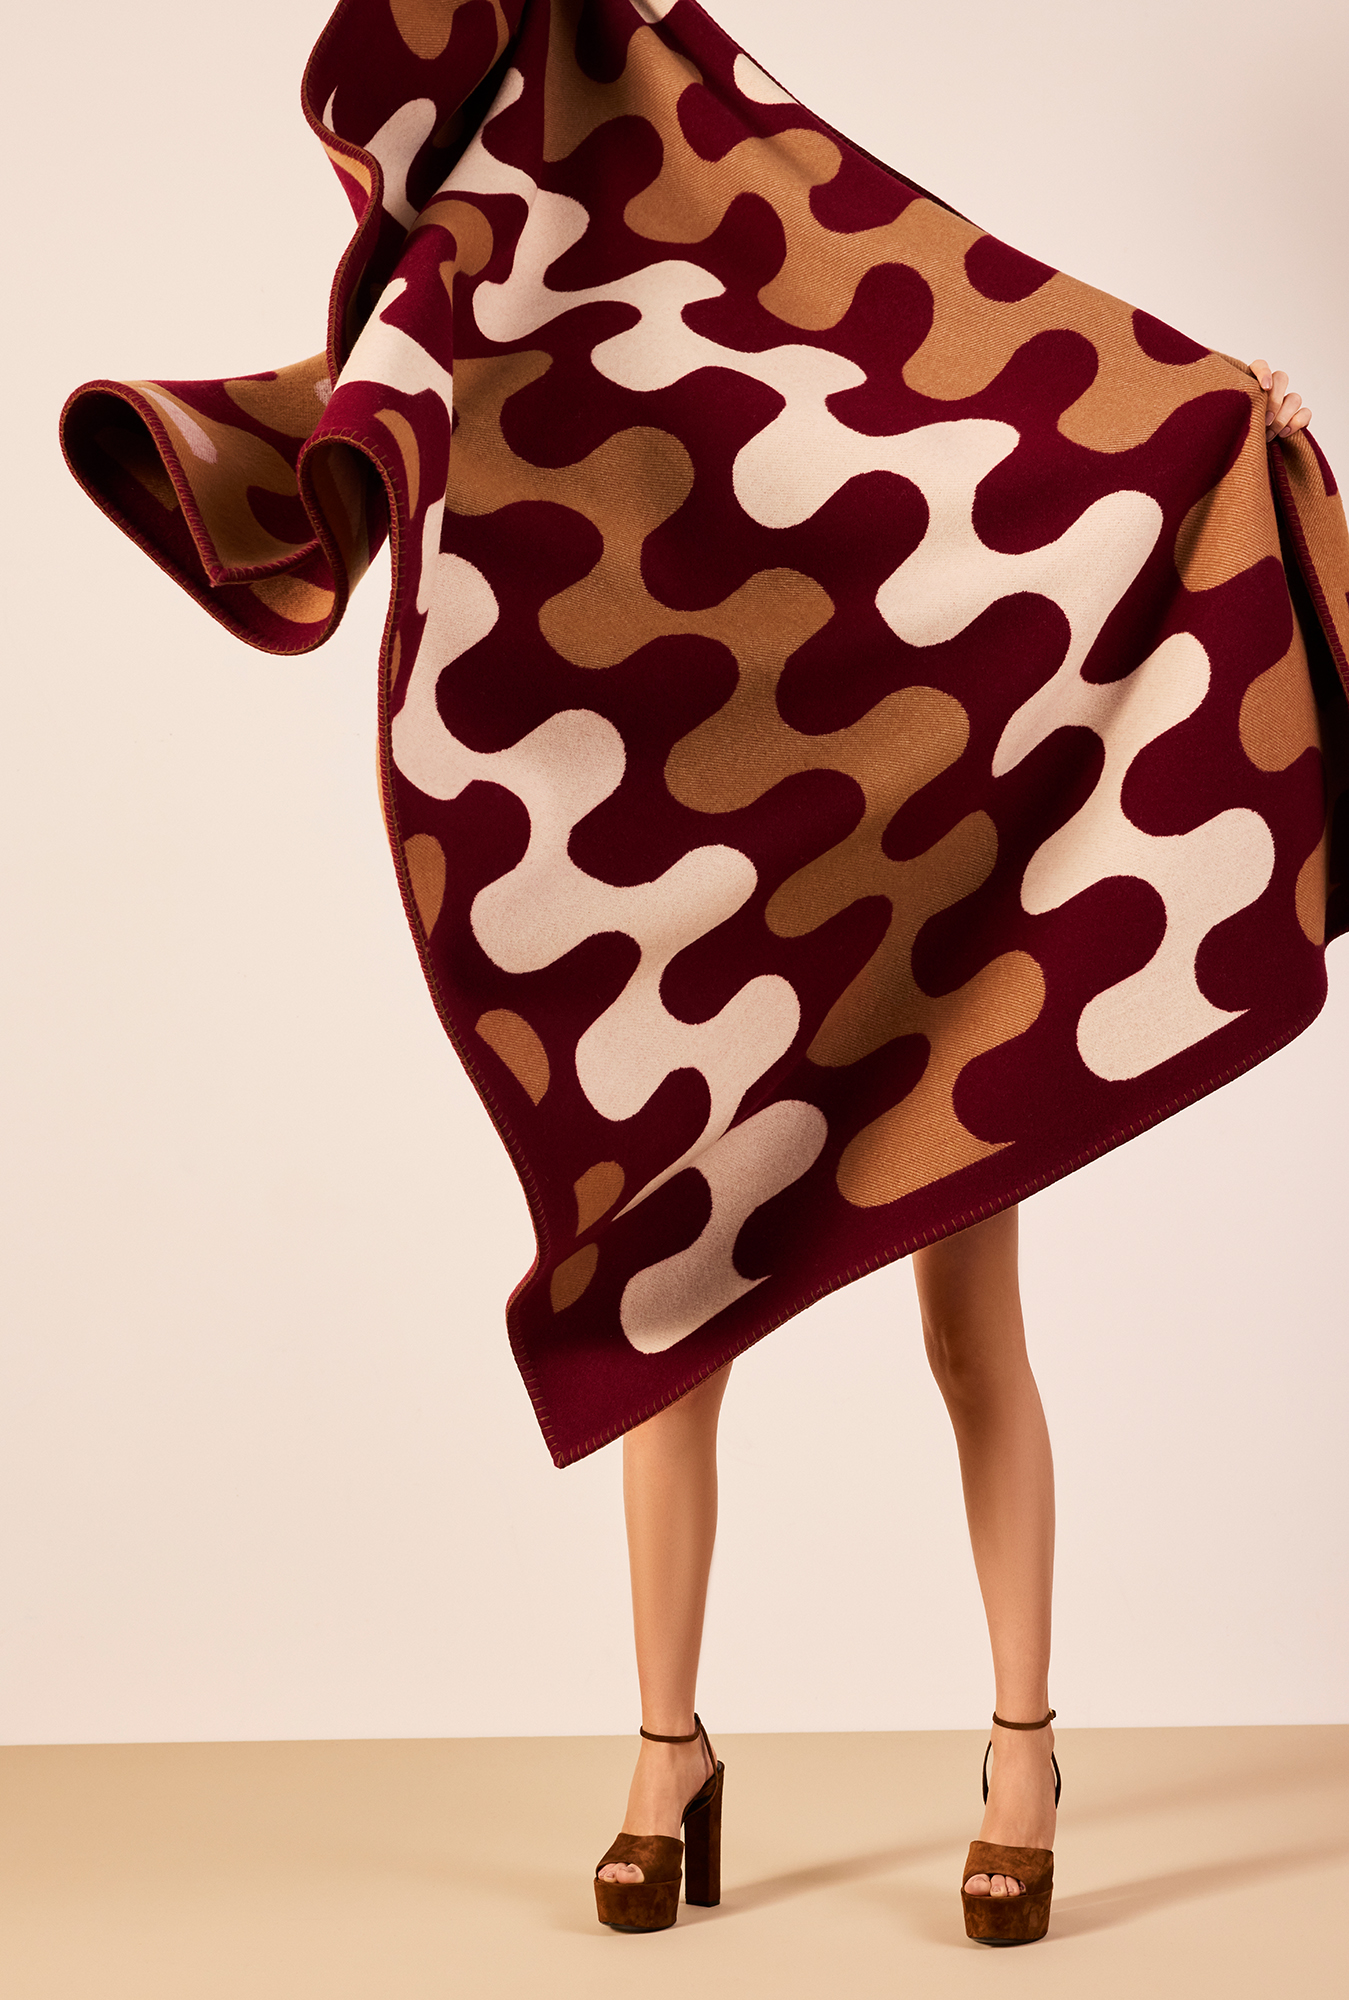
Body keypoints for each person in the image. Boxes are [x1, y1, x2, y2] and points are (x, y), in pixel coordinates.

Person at [597, 326, 1310, 1938]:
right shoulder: (659, 439)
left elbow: (1046, 463)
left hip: (918, 941)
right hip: (731, 958)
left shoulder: (876, 437)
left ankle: (1021, 1755)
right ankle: (663, 1761)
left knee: (970, 1338)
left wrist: (1215, 420)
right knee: (670, 1343)